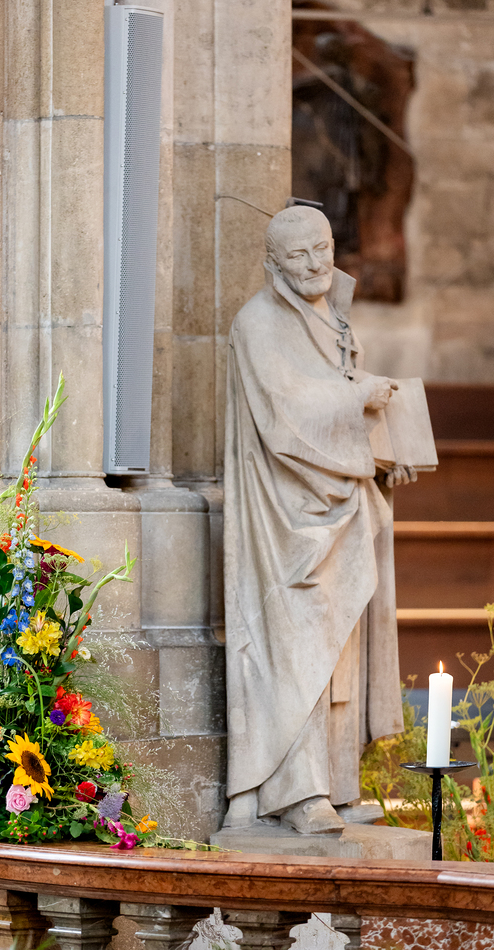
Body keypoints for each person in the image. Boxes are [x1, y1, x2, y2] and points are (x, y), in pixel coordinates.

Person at [223, 205, 416, 834]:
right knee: (299, 645)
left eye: (323, 248)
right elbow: (284, 416)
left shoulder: (334, 316)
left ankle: (335, 782)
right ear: (272, 262)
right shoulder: (257, 322)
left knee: (339, 648)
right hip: (286, 516)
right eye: (298, 255)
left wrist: (386, 454)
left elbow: (345, 401)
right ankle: (294, 792)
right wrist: (358, 397)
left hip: (340, 500)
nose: (314, 264)